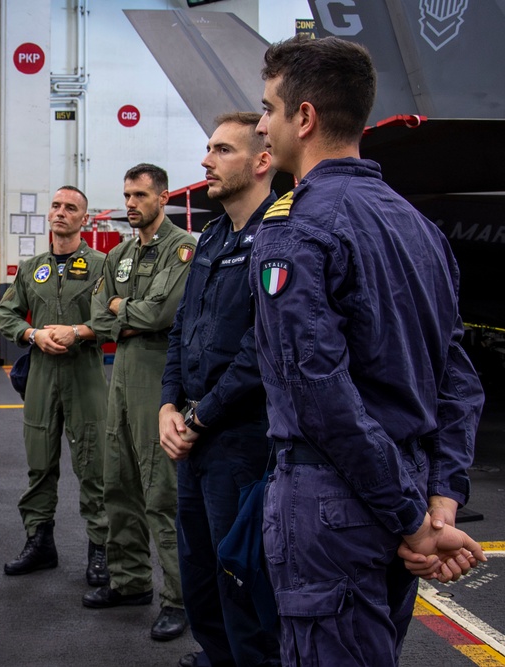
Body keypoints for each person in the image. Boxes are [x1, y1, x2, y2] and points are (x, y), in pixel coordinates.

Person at [251, 35, 485, 666]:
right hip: (403, 488)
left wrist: (413, 519)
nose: (262, 126)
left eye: (268, 109)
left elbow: (318, 394)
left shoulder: (293, 226)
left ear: (304, 117)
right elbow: (457, 380)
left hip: (332, 500)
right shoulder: (421, 228)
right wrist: (437, 502)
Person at [158, 113, 279, 667]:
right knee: (199, 566)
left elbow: (261, 349)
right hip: (194, 432)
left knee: (241, 573)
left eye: (221, 150)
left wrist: (199, 416)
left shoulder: (276, 237)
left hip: (242, 439)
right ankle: (215, 656)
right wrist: (167, 403)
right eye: (208, 148)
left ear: (261, 161)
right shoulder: (209, 237)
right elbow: (184, 328)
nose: (206, 160)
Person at [87, 163, 194, 642]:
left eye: (139, 196)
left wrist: (121, 310)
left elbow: (161, 313)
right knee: (119, 486)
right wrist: (125, 315)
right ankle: (129, 582)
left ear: (163, 197)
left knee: (161, 496)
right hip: (121, 377)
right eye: (126, 195)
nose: (130, 204)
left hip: (159, 377)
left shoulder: (184, 247)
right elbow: (99, 313)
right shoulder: (121, 253)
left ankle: (178, 598)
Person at [0, 186, 110, 586]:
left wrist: (78, 332)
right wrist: (31, 335)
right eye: (57, 206)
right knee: (39, 465)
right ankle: (40, 542)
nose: (61, 213)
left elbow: (115, 320)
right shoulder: (32, 268)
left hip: (85, 376)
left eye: (71, 208)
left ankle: (101, 549)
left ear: (84, 219)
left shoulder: (102, 266)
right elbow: (6, 313)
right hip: (42, 377)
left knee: (94, 466)